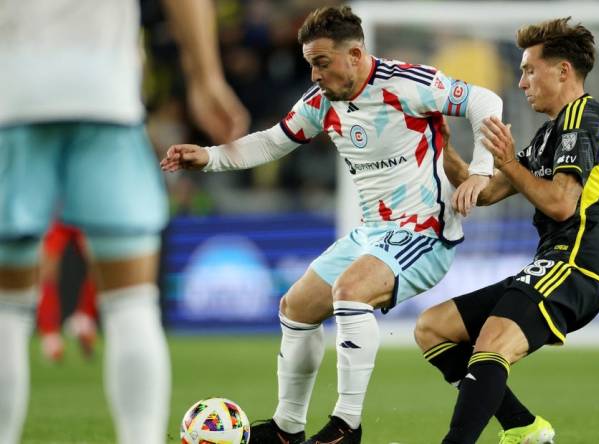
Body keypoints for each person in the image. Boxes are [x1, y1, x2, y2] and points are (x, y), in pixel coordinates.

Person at [160, 5, 503, 443]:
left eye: (321, 63)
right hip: (371, 234)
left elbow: (484, 100)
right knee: (296, 307)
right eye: (309, 65)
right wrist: (208, 157)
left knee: (350, 292)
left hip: (424, 231)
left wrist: (481, 170)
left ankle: (346, 426)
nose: (314, 76)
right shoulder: (322, 103)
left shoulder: (406, 84)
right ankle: (287, 429)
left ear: (356, 55)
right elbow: (271, 142)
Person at [0, 0, 249, 442]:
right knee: (132, 301)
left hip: (13, 101)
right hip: (104, 98)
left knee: (6, 306)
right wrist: (206, 78)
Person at [413, 17, 599, 444]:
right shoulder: (550, 134)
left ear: (563, 70)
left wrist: (508, 162)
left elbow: (562, 204)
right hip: (552, 261)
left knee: (492, 343)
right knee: (432, 328)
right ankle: (522, 425)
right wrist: (443, 145)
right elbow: (485, 192)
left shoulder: (586, 117)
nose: (521, 81)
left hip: (579, 261)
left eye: (529, 69)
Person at [37, 221, 99, 362]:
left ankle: (85, 320)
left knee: (98, 263)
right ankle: (50, 333)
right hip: (57, 211)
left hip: (85, 211)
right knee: (48, 269)